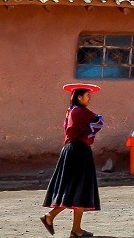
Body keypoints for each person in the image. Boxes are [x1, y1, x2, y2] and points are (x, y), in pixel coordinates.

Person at [41, 84, 105, 237]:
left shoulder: (72, 111)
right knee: (78, 190)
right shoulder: (80, 112)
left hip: (73, 151)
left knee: (76, 190)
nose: (89, 99)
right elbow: (99, 121)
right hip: (78, 152)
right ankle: (61, 222)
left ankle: (73, 228)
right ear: (79, 97)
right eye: (87, 96)